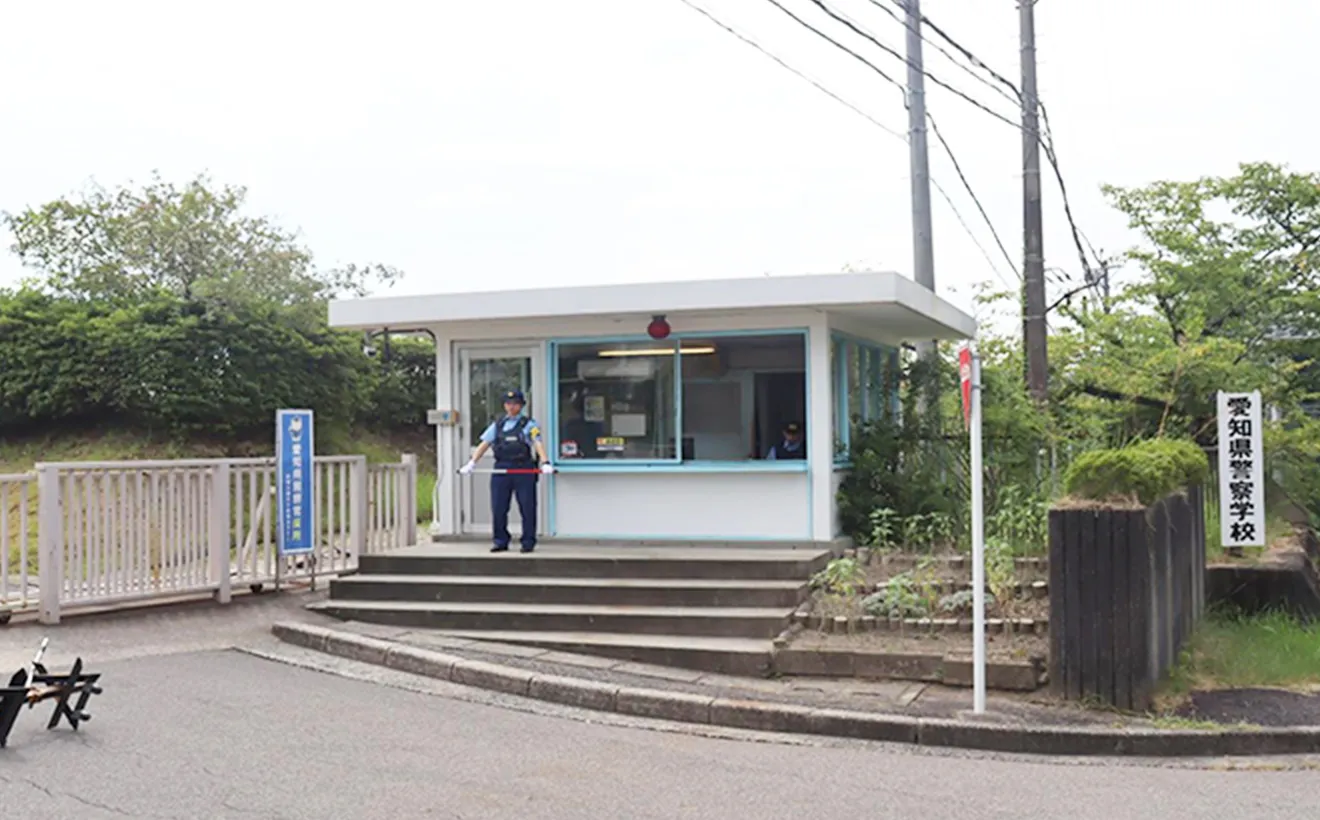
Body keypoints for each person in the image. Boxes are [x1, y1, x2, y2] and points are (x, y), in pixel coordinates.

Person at [459, 389, 553, 553]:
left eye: (515, 403)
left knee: (527, 507)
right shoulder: (498, 425)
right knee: (498, 507)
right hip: (502, 469)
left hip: (523, 469)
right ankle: (500, 540)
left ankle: (528, 542)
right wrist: (472, 463)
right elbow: (484, 444)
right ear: (504, 405)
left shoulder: (529, 424)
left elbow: (537, 443)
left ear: (521, 405)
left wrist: (545, 462)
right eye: (509, 403)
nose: (511, 407)